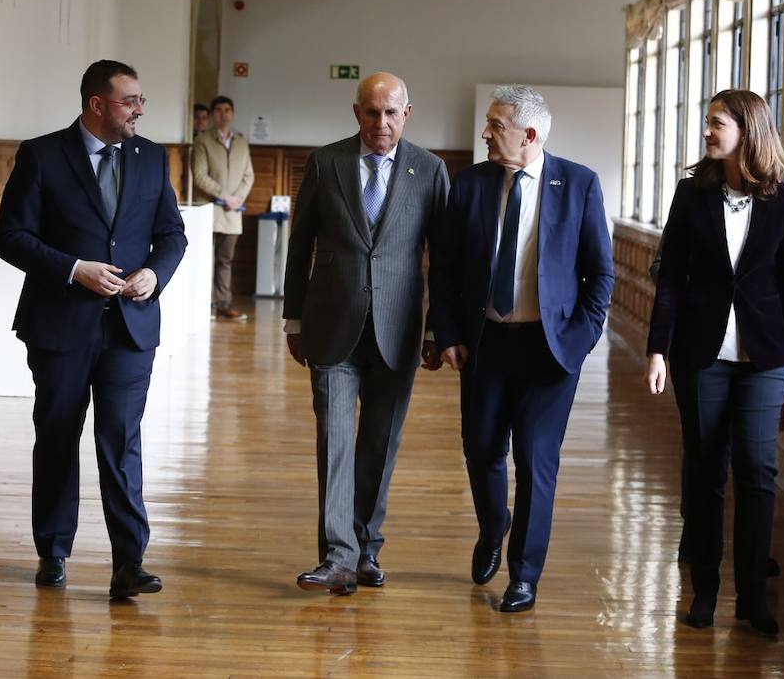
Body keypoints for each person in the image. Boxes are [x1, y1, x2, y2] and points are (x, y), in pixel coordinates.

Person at [0, 59, 187, 599]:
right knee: (57, 437)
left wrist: (155, 273)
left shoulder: (152, 157)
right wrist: (73, 269)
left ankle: (130, 562)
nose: (140, 111)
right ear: (96, 104)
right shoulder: (42, 155)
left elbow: (172, 234)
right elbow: (10, 237)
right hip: (60, 325)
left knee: (122, 441)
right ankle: (53, 551)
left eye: (141, 101)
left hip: (131, 328)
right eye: (131, 102)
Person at [430, 84, 614, 614]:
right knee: (482, 451)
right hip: (486, 345)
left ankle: (525, 575)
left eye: (495, 126)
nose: (485, 134)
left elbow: (599, 273)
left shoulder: (578, 184)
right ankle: (494, 527)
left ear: (529, 134)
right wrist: (449, 335)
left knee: (536, 462)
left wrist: (579, 340)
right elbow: (443, 270)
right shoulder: (471, 185)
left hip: (549, 352)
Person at [644, 89, 784, 636]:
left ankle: (754, 599)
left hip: (766, 356)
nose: (707, 132)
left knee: (758, 472)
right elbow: (670, 280)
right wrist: (657, 349)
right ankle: (706, 592)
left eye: (716, 123)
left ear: (748, 130)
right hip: (702, 355)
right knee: (706, 468)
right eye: (706, 123)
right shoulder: (691, 196)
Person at [283, 72, 449, 595]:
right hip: (332, 325)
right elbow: (300, 242)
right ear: (357, 112)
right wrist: (293, 317)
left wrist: (439, 326)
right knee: (333, 440)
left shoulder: (430, 169)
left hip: (398, 332)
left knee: (380, 443)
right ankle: (337, 557)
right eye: (372, 113)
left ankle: (365, 548)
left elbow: (443, 258)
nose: (382, 123)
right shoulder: (325, 163)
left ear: (407, 112)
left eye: (392, 113)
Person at [191, 95, 254, 321]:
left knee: (225, 261)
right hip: (209, 210)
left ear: (232, 114)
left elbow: (249, 176)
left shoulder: (241, 142)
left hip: (232, 213)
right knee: (205, 258)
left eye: (227, 110)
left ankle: (223, 304)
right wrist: (223, 195)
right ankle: (203, 305)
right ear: (212, 114)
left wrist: (236, 198)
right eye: (218, 110)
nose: (223, 114)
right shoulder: (202, 141)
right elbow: (199, 176)